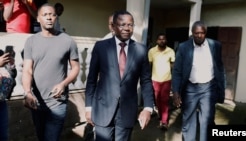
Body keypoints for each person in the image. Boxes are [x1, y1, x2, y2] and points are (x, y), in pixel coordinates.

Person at [85, 10, 154, 141]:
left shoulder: (141, 50)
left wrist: (148, 108)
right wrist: (88, 107)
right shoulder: (101, 47)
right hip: (102, 110)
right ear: (114, 26)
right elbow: (91, 79)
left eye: (130, 25)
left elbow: (146, 81)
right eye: (122, 25)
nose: (127, 28)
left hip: (127, 111)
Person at [22, 3, 80, 141]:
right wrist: (27, 92)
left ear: (56, 18)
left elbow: (76, 67)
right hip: (36, 101)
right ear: (38, 19)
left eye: (52, 15)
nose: (49, 18)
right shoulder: (31, 41)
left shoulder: (67, 41)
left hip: (57, 102)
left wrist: (63, 84)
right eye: (45, 15)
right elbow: (27, 69)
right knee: (41, 137)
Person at [172, 21, 225, 141]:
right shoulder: (183, 47)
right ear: (192, 33)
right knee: (188, 120)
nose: (199, 36)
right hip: (190, 89)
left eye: (202, 33)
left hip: (208, 88)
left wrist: (221, 88)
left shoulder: (216, 45)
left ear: (205, 33)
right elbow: (177, 71)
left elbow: (220, 68)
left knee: (207, 120)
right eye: (196, 33)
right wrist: (175, 91)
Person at [148, 33, 175, 130]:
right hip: (155, 79)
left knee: (164, 100)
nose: (161, 41)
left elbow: (173, 65)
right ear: (157, 41)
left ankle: (164, 121)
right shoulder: (151, 51)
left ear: (166, 40)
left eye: (163, 39)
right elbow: (149, 65)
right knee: (157, 99)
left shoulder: (170, 51)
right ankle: (160, 114)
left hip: (167, 80)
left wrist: (173, 78)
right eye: (159, 39)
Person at [0, 48, 16, 141]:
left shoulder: (1, 53)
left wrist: (11, 66)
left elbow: (11, 77)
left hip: (1, 103)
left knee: (3, 136)